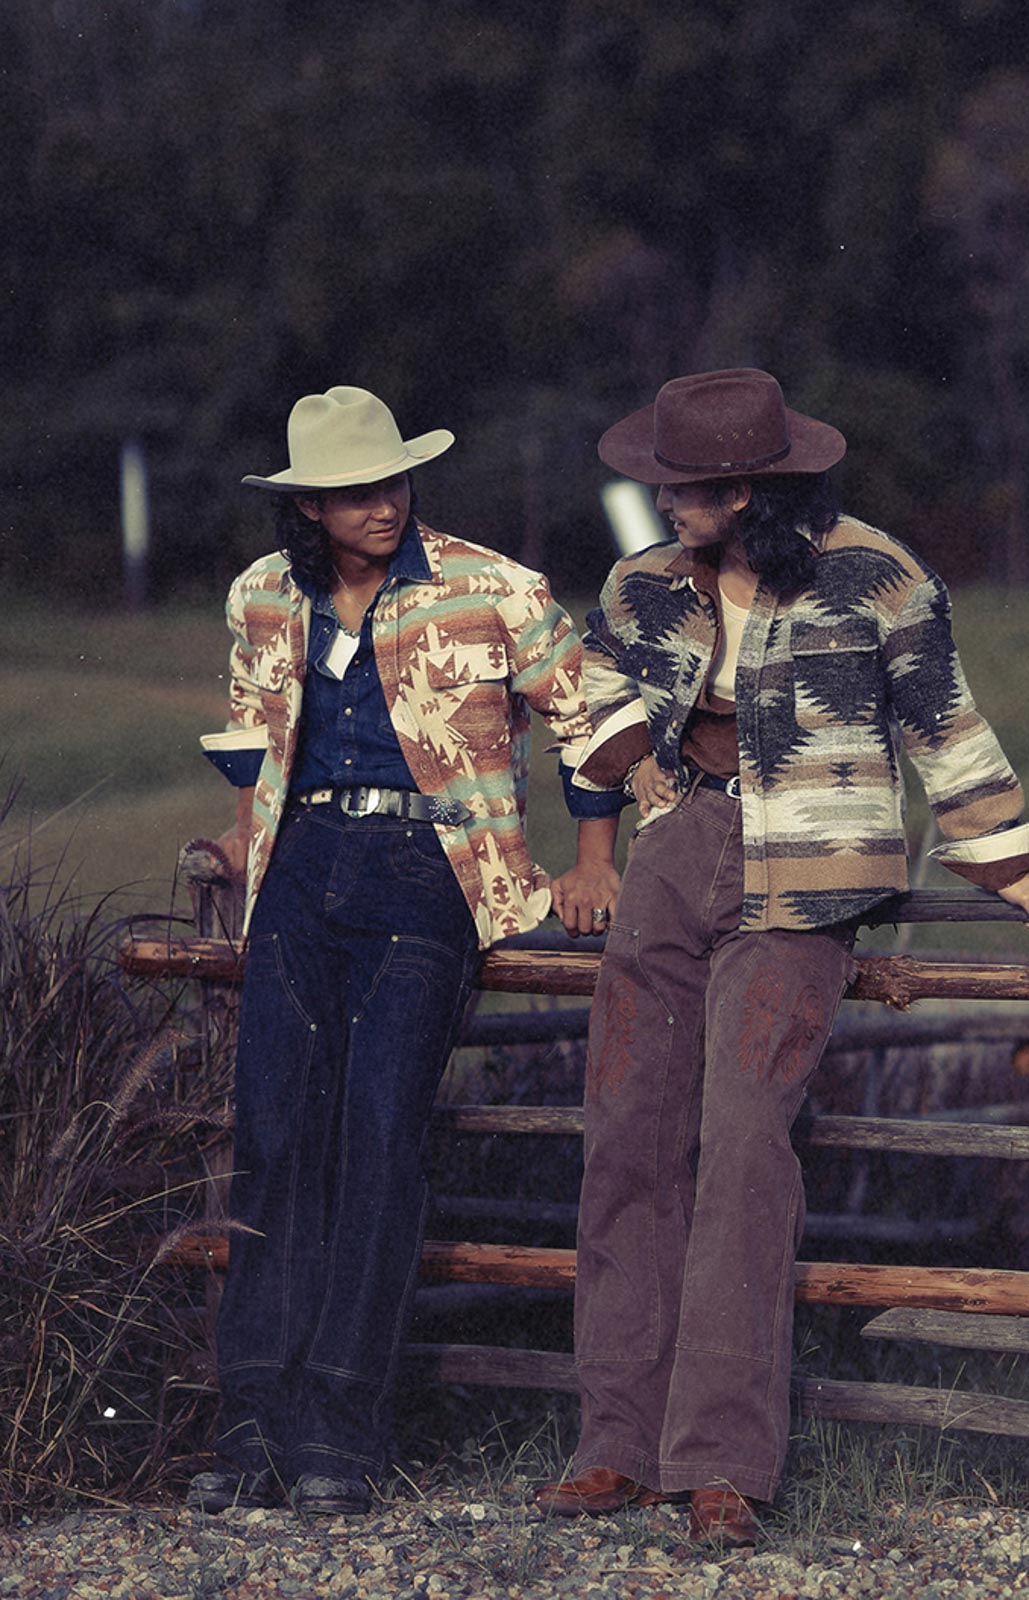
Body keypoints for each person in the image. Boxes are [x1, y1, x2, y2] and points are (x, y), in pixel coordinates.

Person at [540, 368, 1029, 1546]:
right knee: (626, 1126)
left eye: (686, 490)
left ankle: (718, 1460)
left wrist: (1001, 858)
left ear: (748, 487)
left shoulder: (874, 577)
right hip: (682, 849)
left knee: (740, 1140)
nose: (664, 505)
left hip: (813, 871)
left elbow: (942, 719)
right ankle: (613, 1442)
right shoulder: (640, 584)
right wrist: (650, 786)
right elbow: (581, 693)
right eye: (663, 485)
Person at [189, 385, 620, 1516]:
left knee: (380, 1133)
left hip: (432, 869)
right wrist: (245, 843)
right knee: (276, 1134)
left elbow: (593, 720)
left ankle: (340, 1432)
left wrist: (589, 863)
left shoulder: (491, 585)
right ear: (310, 506)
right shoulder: (263, 594)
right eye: (351, 492)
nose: (380, 506)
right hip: (298, 874)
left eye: (390, 481)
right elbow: (250, 734)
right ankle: (248, 1431)